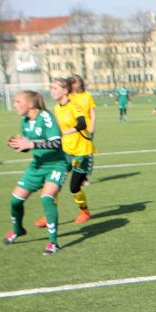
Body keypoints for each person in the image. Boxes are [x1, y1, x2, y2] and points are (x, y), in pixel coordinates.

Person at [4, 90, 66, 255]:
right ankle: (18, 230)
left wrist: (31, 144)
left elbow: (56, 143)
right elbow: (27, 145)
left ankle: (53, 243)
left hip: (56, 164)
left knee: (47, 197)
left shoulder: (45, 117)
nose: (15, 105)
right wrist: (17, 144)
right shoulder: (25, 121)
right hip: (37, 165)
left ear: (30, 104)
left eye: (18, 102)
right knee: (15, 201)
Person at [50, 77, 95, 223]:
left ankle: (85, 211)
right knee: (53, 184)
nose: (52, 91)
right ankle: (50, 215)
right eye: (51, 88)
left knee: (74, 187)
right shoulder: (56, 108)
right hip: (65, 152)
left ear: (65, 90)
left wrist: (66, 132)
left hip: (82, 152)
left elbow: (82, 124)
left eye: (55, 88)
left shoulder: (74, 105)